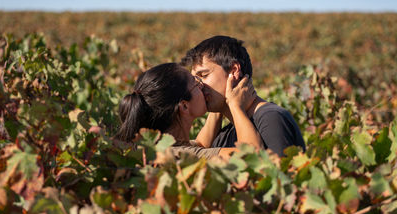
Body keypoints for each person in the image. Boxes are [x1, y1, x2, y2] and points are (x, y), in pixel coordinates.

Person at [181, 35, 306, 156]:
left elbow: (278, 174)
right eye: (195, 80)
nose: (199, 86)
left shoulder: (270, 118)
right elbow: (199, 149)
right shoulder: (226, 133)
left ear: (234, 70)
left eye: (204, 75)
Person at [115, 62, 263, 160]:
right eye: (196, 83)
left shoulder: (163, 146)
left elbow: (200, 144)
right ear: (184, 106)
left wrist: (220, 99)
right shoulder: (179, 156)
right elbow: (252, 156)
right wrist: (236, 106)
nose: (203, 86)